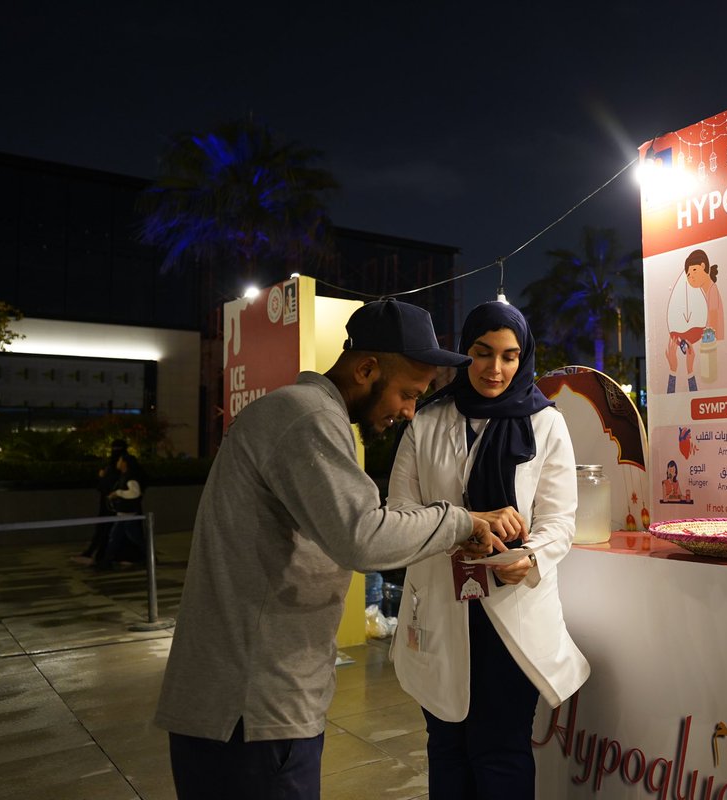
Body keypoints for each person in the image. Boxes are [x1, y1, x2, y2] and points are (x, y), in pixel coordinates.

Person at [155, 298, 508, 800]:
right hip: (251, 711)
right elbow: (362, 535)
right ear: (366, 368)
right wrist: (460, 520)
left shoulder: (300, 414)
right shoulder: (307, 418)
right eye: (408, 393)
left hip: (245, 706)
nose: (409, 411)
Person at [387, 302, 589, 799]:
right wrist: (461, 528)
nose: (494, 369)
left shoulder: (546, 424)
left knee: (501, 750)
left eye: (509, 356)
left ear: (524, 359)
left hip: (510, 609)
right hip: (439, 601)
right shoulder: (427, 421)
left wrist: (533, 557)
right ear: (464, 352)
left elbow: (560, 520)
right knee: (447, 744)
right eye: (481, 354)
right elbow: (398, 512)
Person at [665, 249, 724, 393]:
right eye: (688, 275)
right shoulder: (704, 293)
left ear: (703, 266)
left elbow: (713, 330)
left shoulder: (712, 292)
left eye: (694, 271)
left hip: (712, 354)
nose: (691, 278)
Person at [71, 439, 128, 566]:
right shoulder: (122, 466)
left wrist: (102, 478)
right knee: (113, 531)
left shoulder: (114, 467)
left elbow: (105, 485)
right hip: (116, 505)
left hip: (111, 505)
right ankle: (103, 555)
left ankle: (102, 555)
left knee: (108, 530)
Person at [95, 452, 147, 569]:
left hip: (127, 514)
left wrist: (118, 493)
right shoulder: (125, 476)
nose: (117, 462)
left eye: (119, 460)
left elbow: (135, 493)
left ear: (124, 463)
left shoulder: (129, 477)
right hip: (125, 514)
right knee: (127, 537)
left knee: (117, 537)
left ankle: (106, 562)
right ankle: (106, 561)